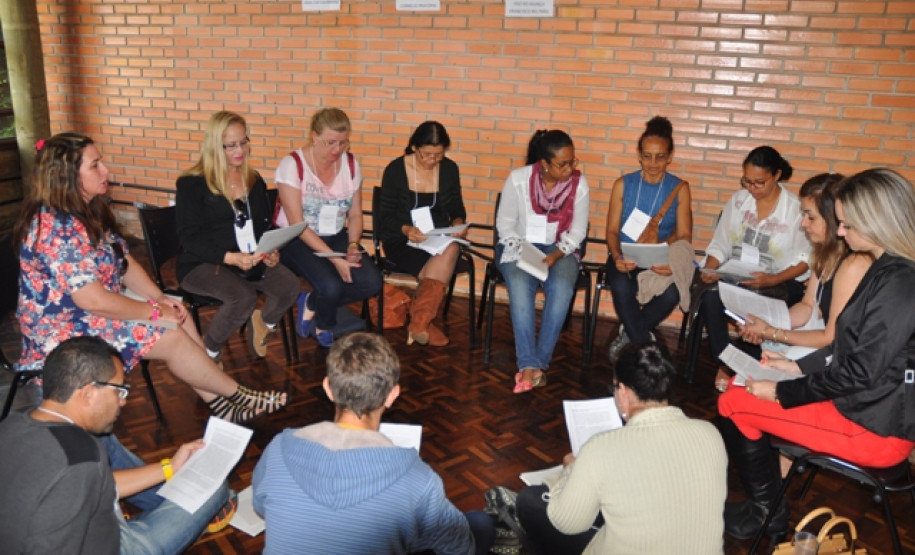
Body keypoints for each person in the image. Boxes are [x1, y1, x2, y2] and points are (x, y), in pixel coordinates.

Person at [14, 132, 286, 423]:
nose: (106, 171)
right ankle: (237, 394)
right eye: (95, 166)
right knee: (170, 337)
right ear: (67, 176)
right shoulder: (57, 228)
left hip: (94, 307)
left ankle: (220, 402)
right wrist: (153, 310)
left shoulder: (88, 210)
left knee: (178, 314)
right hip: (63, 328)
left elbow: (124, 262)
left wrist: (159, 298)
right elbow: (93, 301)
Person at [717, 168, 915, 541]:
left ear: (876, 220)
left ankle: (766, 514)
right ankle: (766, 506)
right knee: (740, 390)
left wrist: (782, 391)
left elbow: (858, 371)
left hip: (872, 429)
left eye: (847, 224)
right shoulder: (887, 271)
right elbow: (845, 349)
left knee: (733, 401)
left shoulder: (899, 282)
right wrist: (790, 366)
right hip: (861, 408)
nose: (841, 232)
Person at [252, 332, 494, 555]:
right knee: (480, 525)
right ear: (392, 395)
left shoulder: (278, 448)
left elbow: (261, 508)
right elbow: (462, 548)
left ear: (328, 388)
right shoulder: (419, 480)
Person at [0, 336, 234, 554]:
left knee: (104, 437)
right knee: (216, 488)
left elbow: (92, 486)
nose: (123, 401)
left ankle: (169, 501)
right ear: (89, 393)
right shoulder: (81, 458)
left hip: (79, 525)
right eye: (119, 390)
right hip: (118, 546)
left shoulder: (14, 421)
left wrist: (170, 466)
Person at [515, 342, 727, 554]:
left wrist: (569, 471)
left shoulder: (601, 447)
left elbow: (569, 523)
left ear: (624, 391)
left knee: (529, 501)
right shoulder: (710, 434)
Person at [176, 111, 299, 360]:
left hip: (249, 259)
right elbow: (190, 238)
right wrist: (230, 258)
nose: (239, 150)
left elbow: (263, 227)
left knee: (289, 286)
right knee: (242, 297)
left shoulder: (253, 181)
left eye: (243, 142)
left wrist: (270, 251)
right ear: (213, 146)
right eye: (231, 145)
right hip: (203, 263)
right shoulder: (192, 184)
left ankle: (263, 323)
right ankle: (208, 352)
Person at [735, 173, 871, 361]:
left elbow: (830, 338)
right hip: (824, 346)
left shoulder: (855, 263)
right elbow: (808, 306)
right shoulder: (823, 252)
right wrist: (763, 325)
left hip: (845, 356)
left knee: (769, 363)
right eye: (803, 215)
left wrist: (771, 332)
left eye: (811, 217)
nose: (803, 223)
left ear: (835, 218)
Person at [276, 107, 383, 347]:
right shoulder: (292, 165)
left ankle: (312, 303)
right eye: (330, 142)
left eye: (343, 143)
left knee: (371, 282)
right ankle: (324, 324)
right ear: (314, 136)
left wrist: (353, 244)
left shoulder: (351, 165)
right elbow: (297, 224)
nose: (337, 150)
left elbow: (355, 215)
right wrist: (336, 260)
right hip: (296, 238)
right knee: (332, 285)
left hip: (335, 233)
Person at [697, 146, 811, 366]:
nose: (752, 188)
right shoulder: (739, 201)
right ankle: (727, 362)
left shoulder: (795, 209)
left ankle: (749, 363)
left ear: (777, 175)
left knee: (753, 303)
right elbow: (721, 243)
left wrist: (771, 279)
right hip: (739, 277)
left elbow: (805, 261)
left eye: (760, 182)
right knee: (710, 297)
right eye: (747, 181)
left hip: (780, 282)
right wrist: (712, 269)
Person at [496, 129, 589, 393]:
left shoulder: (579, 185)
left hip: (561, 249)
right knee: (518, 284)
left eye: (573, 161)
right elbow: (505, 226)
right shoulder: (518, 180)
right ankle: (528, 364)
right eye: (563, 164)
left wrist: (557, 254)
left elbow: (578, 232)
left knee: (561, 289)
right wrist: (526, 252)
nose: (570, 168)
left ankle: (538, 362)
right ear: (544, 164)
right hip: (519, 244)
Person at [604, 116, 692, 359]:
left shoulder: (680, 188)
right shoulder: (623, 184)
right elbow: (611, 231)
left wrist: (669, 259)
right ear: (639, 155)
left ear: (670, 156)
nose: (653, 163)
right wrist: (616, 256)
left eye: (660, 156)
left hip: (661, 258)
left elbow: (684, 235)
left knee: (673, 293)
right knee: (621, 285)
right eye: (647, 156)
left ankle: (629, 334)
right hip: (624, 255)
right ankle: (646, 350)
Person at [378, 121, 468, 347]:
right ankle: (422, 322)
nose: (432, 161)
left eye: (438, 155)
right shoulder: (396, 170)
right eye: (426, 155)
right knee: (446, 256)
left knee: (452, 247)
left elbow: (457, 206)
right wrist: (406, 229)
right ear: (414, 148)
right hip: (402, 239)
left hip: (436, 237)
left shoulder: (449, 169)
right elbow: (384, 217)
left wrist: (458, 222)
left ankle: (419, 321)